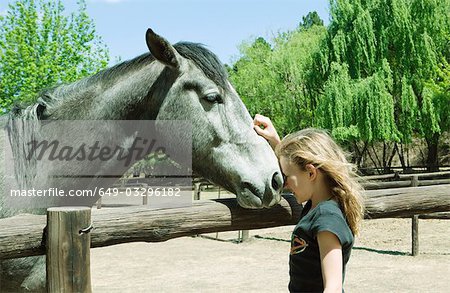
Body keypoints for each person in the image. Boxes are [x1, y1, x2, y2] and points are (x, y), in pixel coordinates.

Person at [253, 114, 364, 293]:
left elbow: (333, 288)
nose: (285, 184)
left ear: (311, 174)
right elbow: (295, 166)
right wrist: (275, 141)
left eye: (287, 177)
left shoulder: (327, 218)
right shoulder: (317, 205)